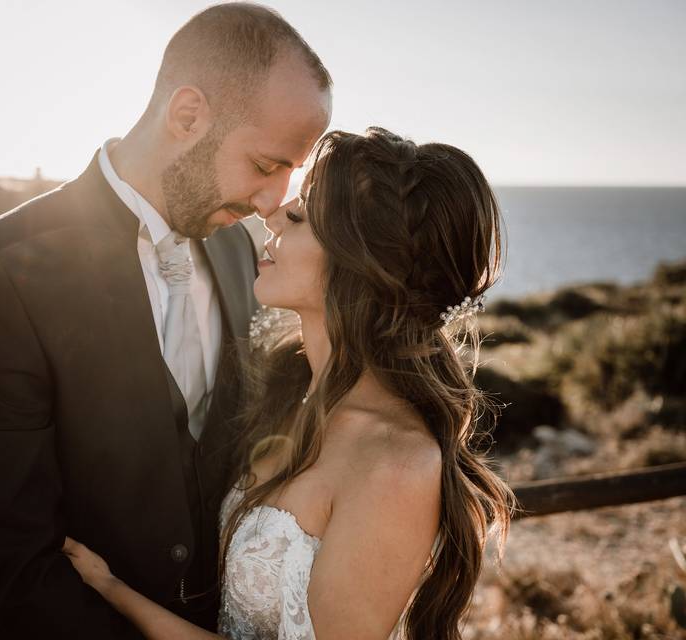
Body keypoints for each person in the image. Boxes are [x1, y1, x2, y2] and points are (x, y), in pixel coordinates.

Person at [0, 4, 331, 638]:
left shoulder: (245, 252)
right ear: (188, 115)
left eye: (290, 172)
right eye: (264, 164)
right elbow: (13, 560)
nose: (272, 202)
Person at [62, 127, 517, 639]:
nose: (272, 215)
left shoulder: (396, 466)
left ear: (361, 268)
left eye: (299, 217)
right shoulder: (290, 393)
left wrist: (115, 593)